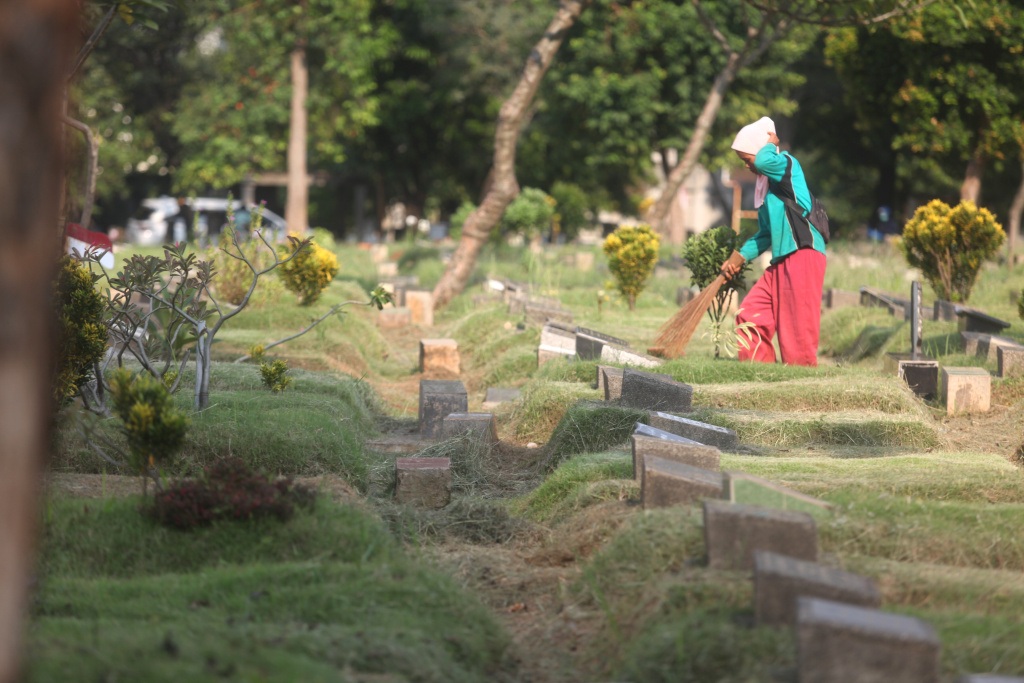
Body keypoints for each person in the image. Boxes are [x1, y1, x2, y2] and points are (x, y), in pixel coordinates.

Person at [721, 116, 827, 367]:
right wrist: (738, 257)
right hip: (781, 261)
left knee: (797, 329)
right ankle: (759, 372)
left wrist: (769, 142)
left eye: (746, 160)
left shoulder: (787, 165)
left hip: (803, 254)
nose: (747, 166)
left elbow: (762, 159)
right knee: (749, 316)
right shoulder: (767, 191)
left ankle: (801, 384)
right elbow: (766, 235)